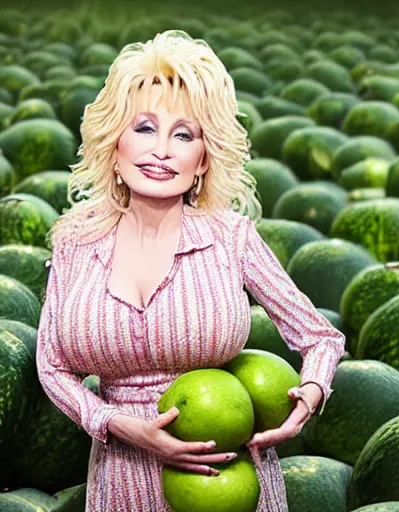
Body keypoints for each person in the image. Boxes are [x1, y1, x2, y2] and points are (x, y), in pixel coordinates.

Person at [35, 30, 346, 512]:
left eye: (183, 134)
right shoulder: (76, 242)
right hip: (121, 479)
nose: (162, 150)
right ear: (113, 145)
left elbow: (321, 338)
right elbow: (51, 364)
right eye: (143, 128)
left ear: (202, 160)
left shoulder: (231, 237)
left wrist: (307, 397)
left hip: (225, 475)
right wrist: (112, 421)